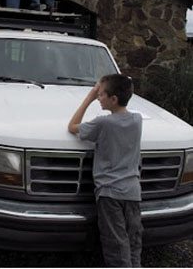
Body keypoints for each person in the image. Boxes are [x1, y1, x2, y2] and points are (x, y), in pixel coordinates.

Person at [68, 74, 143, 267]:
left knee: (116, 246)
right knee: (133, 243)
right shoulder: (137, 119)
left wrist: (89, 97)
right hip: (133, 193)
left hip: (110, 195)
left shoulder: (103, 123)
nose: (98, 98)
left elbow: (72, 126)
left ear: (113, 99)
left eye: (101, 95)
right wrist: (103, 89)